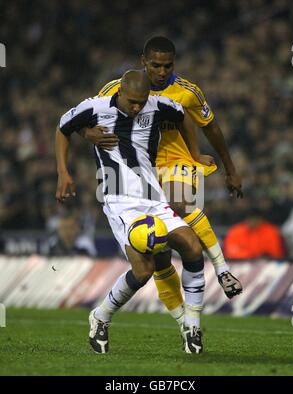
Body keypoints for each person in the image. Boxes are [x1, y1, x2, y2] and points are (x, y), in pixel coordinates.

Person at [79, 36, 243, 324]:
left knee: (180, 202)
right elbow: (90, 118)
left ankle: (222, 268)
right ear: (143, 62)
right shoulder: (117, 88)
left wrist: (228, 167)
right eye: (156, 65)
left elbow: (210, 127)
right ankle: (184, 322)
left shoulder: (188, 92)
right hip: (138, 169)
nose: (162, 71)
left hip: (176, 160)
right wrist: (86, 133)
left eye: (168, 66)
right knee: (158, 255)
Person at [56, 70, 209, 354]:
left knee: (191, 246)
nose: (137, 107)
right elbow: (63, 127)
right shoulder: (96, 107)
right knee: (143, 270)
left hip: (153, 196)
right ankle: (101, 316)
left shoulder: (158, 104)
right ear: (119, 93)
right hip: (118, 200)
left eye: (142, 101)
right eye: (132, 101)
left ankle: (193, 324)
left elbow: (185, 115)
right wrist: (63, 172)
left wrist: (195, 154)